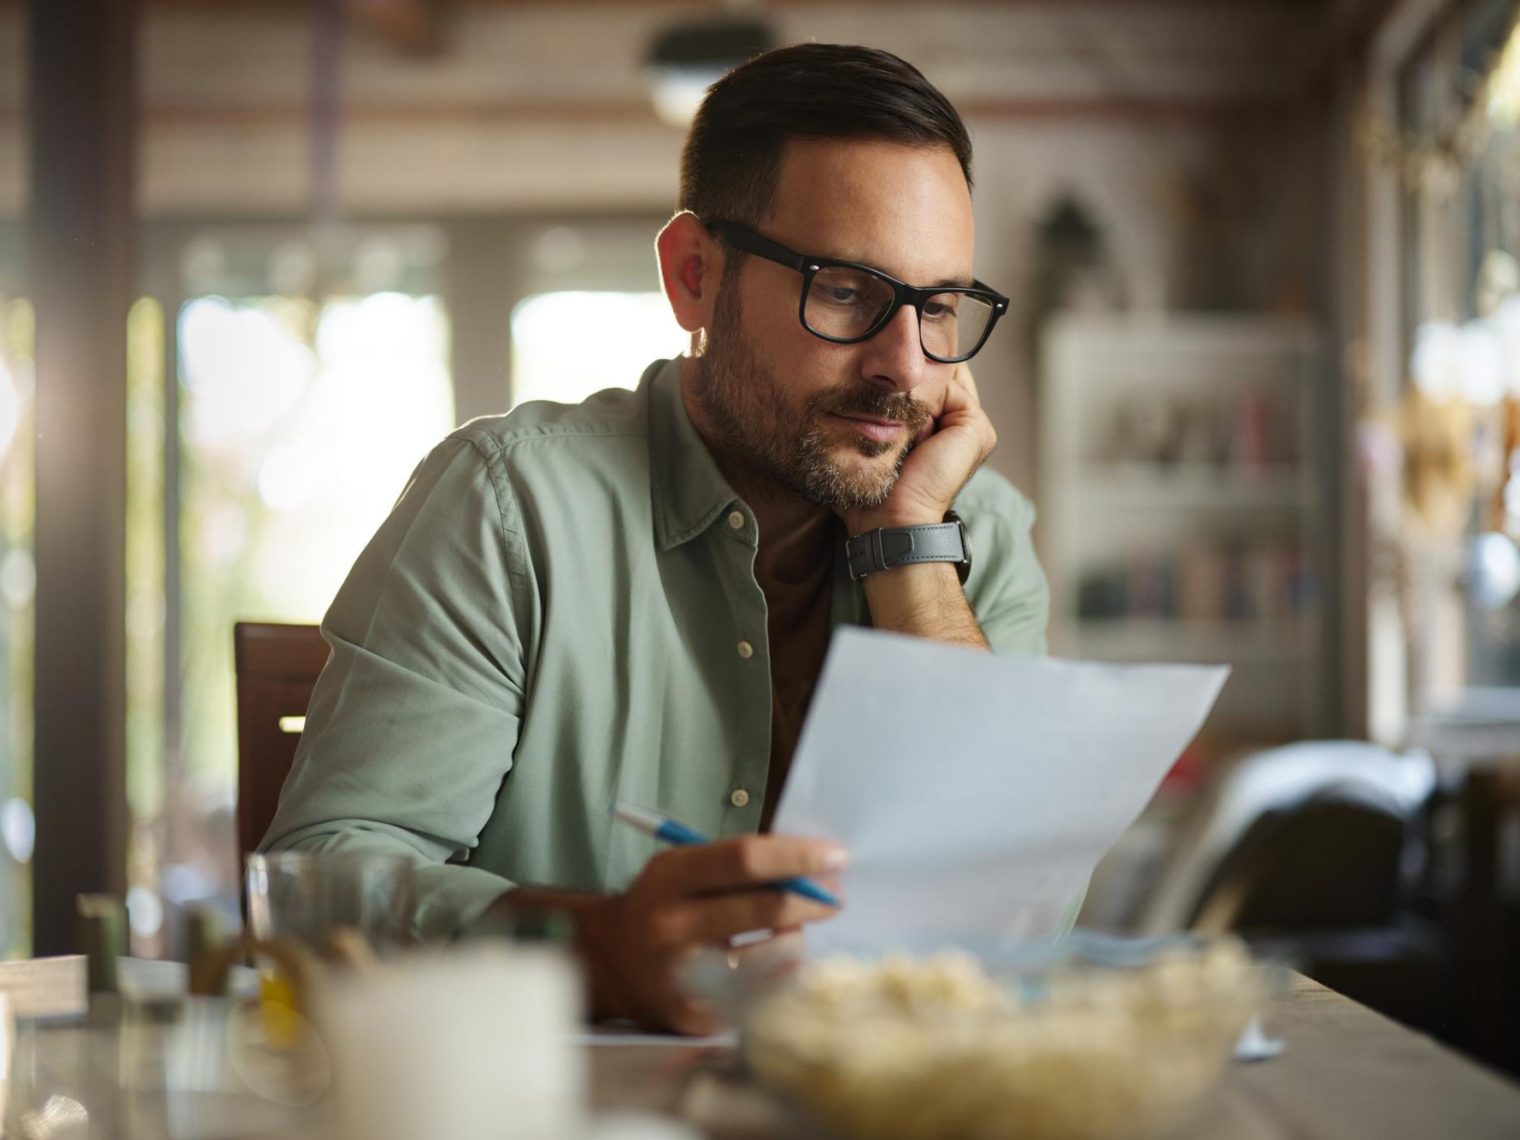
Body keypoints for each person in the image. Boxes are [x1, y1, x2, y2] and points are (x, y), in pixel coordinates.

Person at [262, 42, 1049, 1033]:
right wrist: (586, 950)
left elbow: (1019, 908)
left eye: (937, 307)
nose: (903, 366)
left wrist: (905, 546)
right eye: (846, 291)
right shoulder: (507, 508)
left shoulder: (977, 535)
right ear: (692, 276)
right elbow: (323, 884)